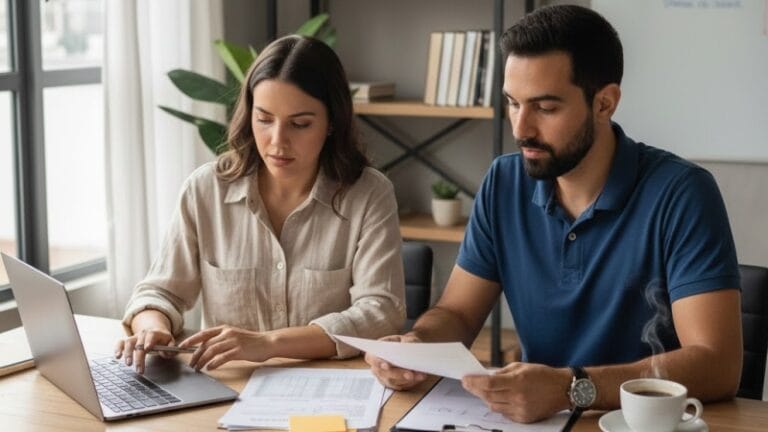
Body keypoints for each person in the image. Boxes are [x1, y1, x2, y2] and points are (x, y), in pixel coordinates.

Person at [365, 4, 742, 424]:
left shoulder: (682, 193)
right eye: (513, 103)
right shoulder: (504, 182)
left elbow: (718, 364)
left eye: (545, 108)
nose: (520, 128)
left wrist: (572, 387)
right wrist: (417, 345)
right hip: (538, 424)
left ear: (604, 103)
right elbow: (457, 314)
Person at [115, 35, 405, 375]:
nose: (277, 141)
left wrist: (269, 344)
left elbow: (381, 311)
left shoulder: (369, 194)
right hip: (229, 386)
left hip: (329, 385)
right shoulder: (205, 190)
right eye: (264, 119)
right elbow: (159, 291)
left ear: (332, 123)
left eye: (300, 124)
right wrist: (153, 327)